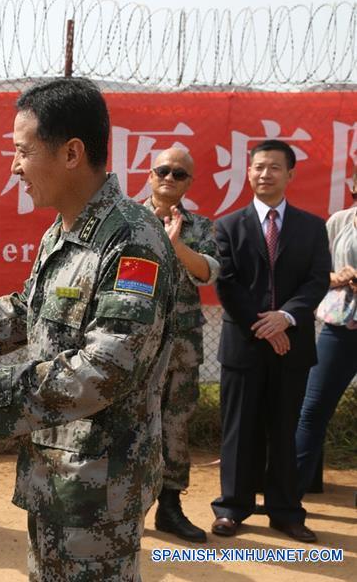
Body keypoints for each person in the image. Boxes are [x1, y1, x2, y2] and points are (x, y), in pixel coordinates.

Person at [0, 78, 176, 581]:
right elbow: (27, 310)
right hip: (56, 472)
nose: (14, 167)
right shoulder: (64, 230)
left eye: (22, 151)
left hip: (100, 487)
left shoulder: (133, 242)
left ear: (71, 153)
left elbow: (109, 366)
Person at [210, 139, 331, 543]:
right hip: (244, 344)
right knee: (239, 429)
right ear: (248, 172)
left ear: (290, 174)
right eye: (258, 167)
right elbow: (226, 283)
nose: (265, 174)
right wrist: (263, 326)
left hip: (292, 344)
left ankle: (285, 511)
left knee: (284, 429)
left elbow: (316, 280)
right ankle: (232, 507)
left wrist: (285, 319)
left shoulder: (312, 227)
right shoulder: (227, 226)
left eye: (274, 168)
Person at [143, 148, 218, 543]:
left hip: (182, 346)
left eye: (180, 174)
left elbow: (208, 272)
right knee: (130, 423)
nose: (170, 178)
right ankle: (127, 507)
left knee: (175, 426)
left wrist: (176, 245)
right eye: (163, 170)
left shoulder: (201, 226)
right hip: (133, 345)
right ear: (150, 174)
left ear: (189, 182)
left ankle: (170, 507)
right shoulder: (127, 220)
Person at [294, 170, 357, 496]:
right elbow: (318, 272)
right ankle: (290, 493)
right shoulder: (339, 222)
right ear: (354, 185)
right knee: (312, 409)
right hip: (339, 329)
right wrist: (339, 277)